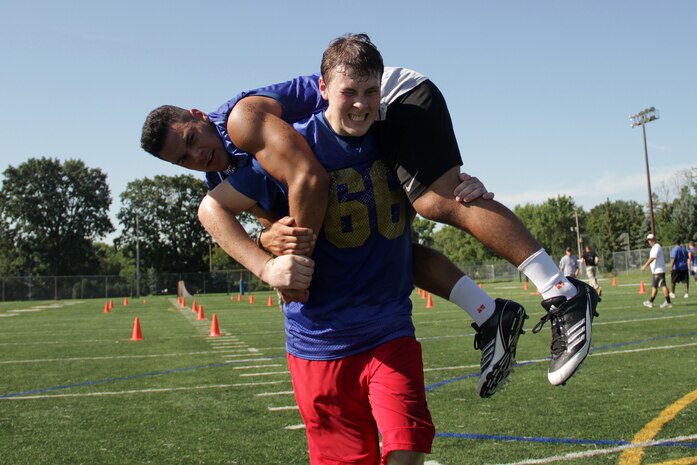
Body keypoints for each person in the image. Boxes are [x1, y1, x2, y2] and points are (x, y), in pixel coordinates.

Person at [142, 50, 599, 389]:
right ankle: (490, 313)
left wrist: (293, 270)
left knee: (437, 202)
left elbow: (308, 176)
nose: (196, 155)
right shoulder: (219, 174)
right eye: (182, 159)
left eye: (192, 138)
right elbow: (273, 221)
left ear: (200, 116)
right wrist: (270, 241)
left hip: (388, 102)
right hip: (361, 137)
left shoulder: (243, 120)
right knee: (383, 241)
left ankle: (562, 291)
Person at [641, 234, 672, 308]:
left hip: (658, 270)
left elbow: (652, 258)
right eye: (648, 240)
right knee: (656, 286)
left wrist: (645, 266)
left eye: (650, 240)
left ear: (653, 239)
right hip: (657, 270)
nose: (649, 241)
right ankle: (652, 301)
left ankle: (665, 302)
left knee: (661, 285)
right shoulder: (655, 247)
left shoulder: (656, 247)